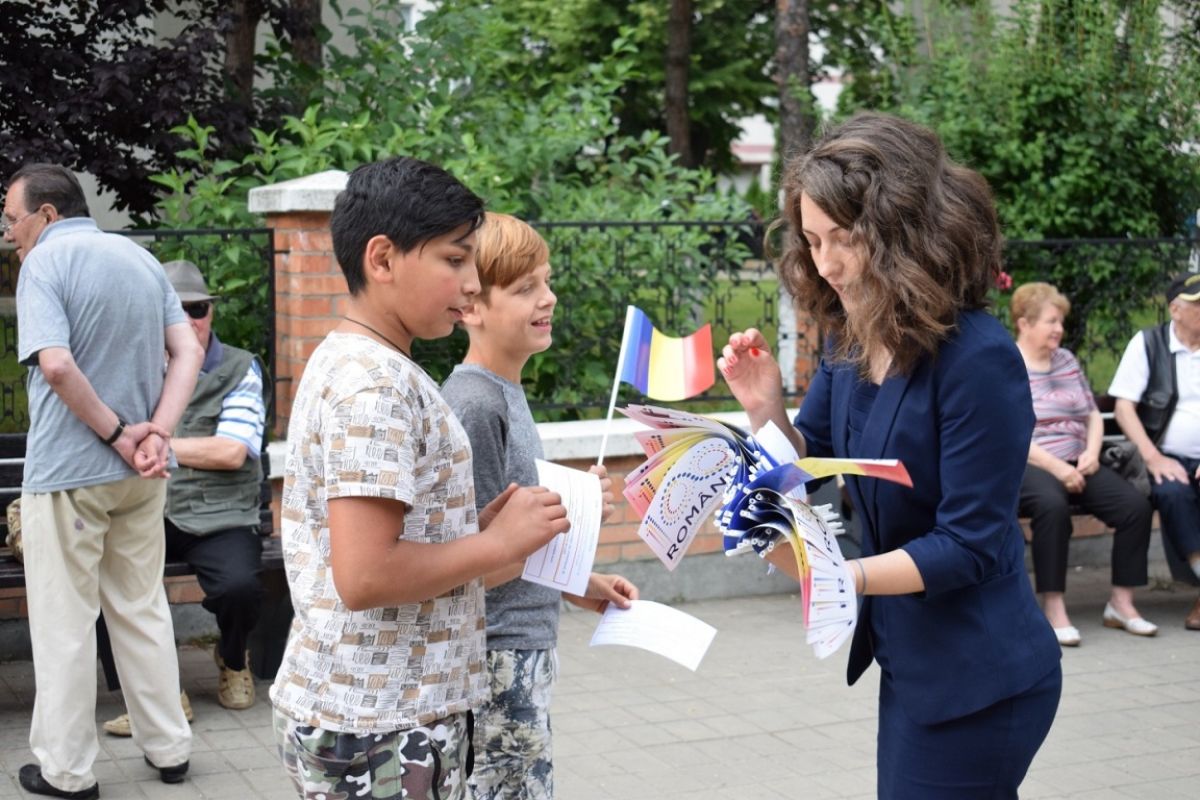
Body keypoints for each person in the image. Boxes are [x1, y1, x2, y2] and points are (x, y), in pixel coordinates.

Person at [719, 113, 1061, 799]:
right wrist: (763, 408)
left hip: (980, 677)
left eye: (845, 239)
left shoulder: (979, 359)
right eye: (813, 240)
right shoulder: (852, 335)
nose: (826, 264)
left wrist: (839, 577)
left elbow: (968, 544)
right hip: (917, 663)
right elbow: (810, 454)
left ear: (906, 229)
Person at [268, 157, 571, 800]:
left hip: (386, 714)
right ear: (382, 259)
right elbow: (365, 575)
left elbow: (395, 545)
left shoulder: (371, 365)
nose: (471, 282)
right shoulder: (374, 387)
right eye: (454, 260)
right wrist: (495, 544)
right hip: (376, 723)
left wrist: (481, 530)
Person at [7, 164, 204, 798]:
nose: (9, 232)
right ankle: (170, 748)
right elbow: (190, 351)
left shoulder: (44, 263)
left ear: (47, 214)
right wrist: (157, 434)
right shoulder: (139, 259)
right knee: (141, 609)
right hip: (142, 476)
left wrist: (119, 433)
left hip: (70, 474)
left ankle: (66, 773)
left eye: (12, 218)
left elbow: (57, 366)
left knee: (64, 623)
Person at [441, 212, 638, 799]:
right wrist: (564, 528)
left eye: (546, 282)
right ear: (472, 306)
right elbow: (468, 567)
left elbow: (516, 548)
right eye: (525, 287)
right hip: (495, 657)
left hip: (519, 651)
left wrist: (581, 580)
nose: (547, 298)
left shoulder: (503, 393)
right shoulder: (476, 405)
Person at [102, 259, 269, 738]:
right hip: (142, 507)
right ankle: (155, 694)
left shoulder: (239, 367)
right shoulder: (132, 367)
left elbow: (232, 451)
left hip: (219, 513)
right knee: (103, 579)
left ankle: (232, 659)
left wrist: (157, 445)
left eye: (199, 309)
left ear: (210, 313)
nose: (191, 319)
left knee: (239, 587)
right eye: (177, 310)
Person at [1011, 282, 1156, 646]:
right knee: (1052, 506)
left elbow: (1091, 413)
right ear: (1024, 323)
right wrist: (1057, 468)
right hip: (1032, 463)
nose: (1059, 329)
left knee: (1134, 507)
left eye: (1060, 321)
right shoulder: (1007, 365)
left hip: (1080, 460)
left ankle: (1121, 604)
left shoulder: (1066, 360)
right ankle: (1054, 607)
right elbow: (1009, 431)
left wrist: (1091, 452)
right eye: (1051, 321)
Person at [1109, 271, 1200, 631]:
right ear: (1175, 310)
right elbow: (1123, 408)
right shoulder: (1148, 343)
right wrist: (1153, 456)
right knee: (1173, 492)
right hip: (1163, 456)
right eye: (1198, 304)